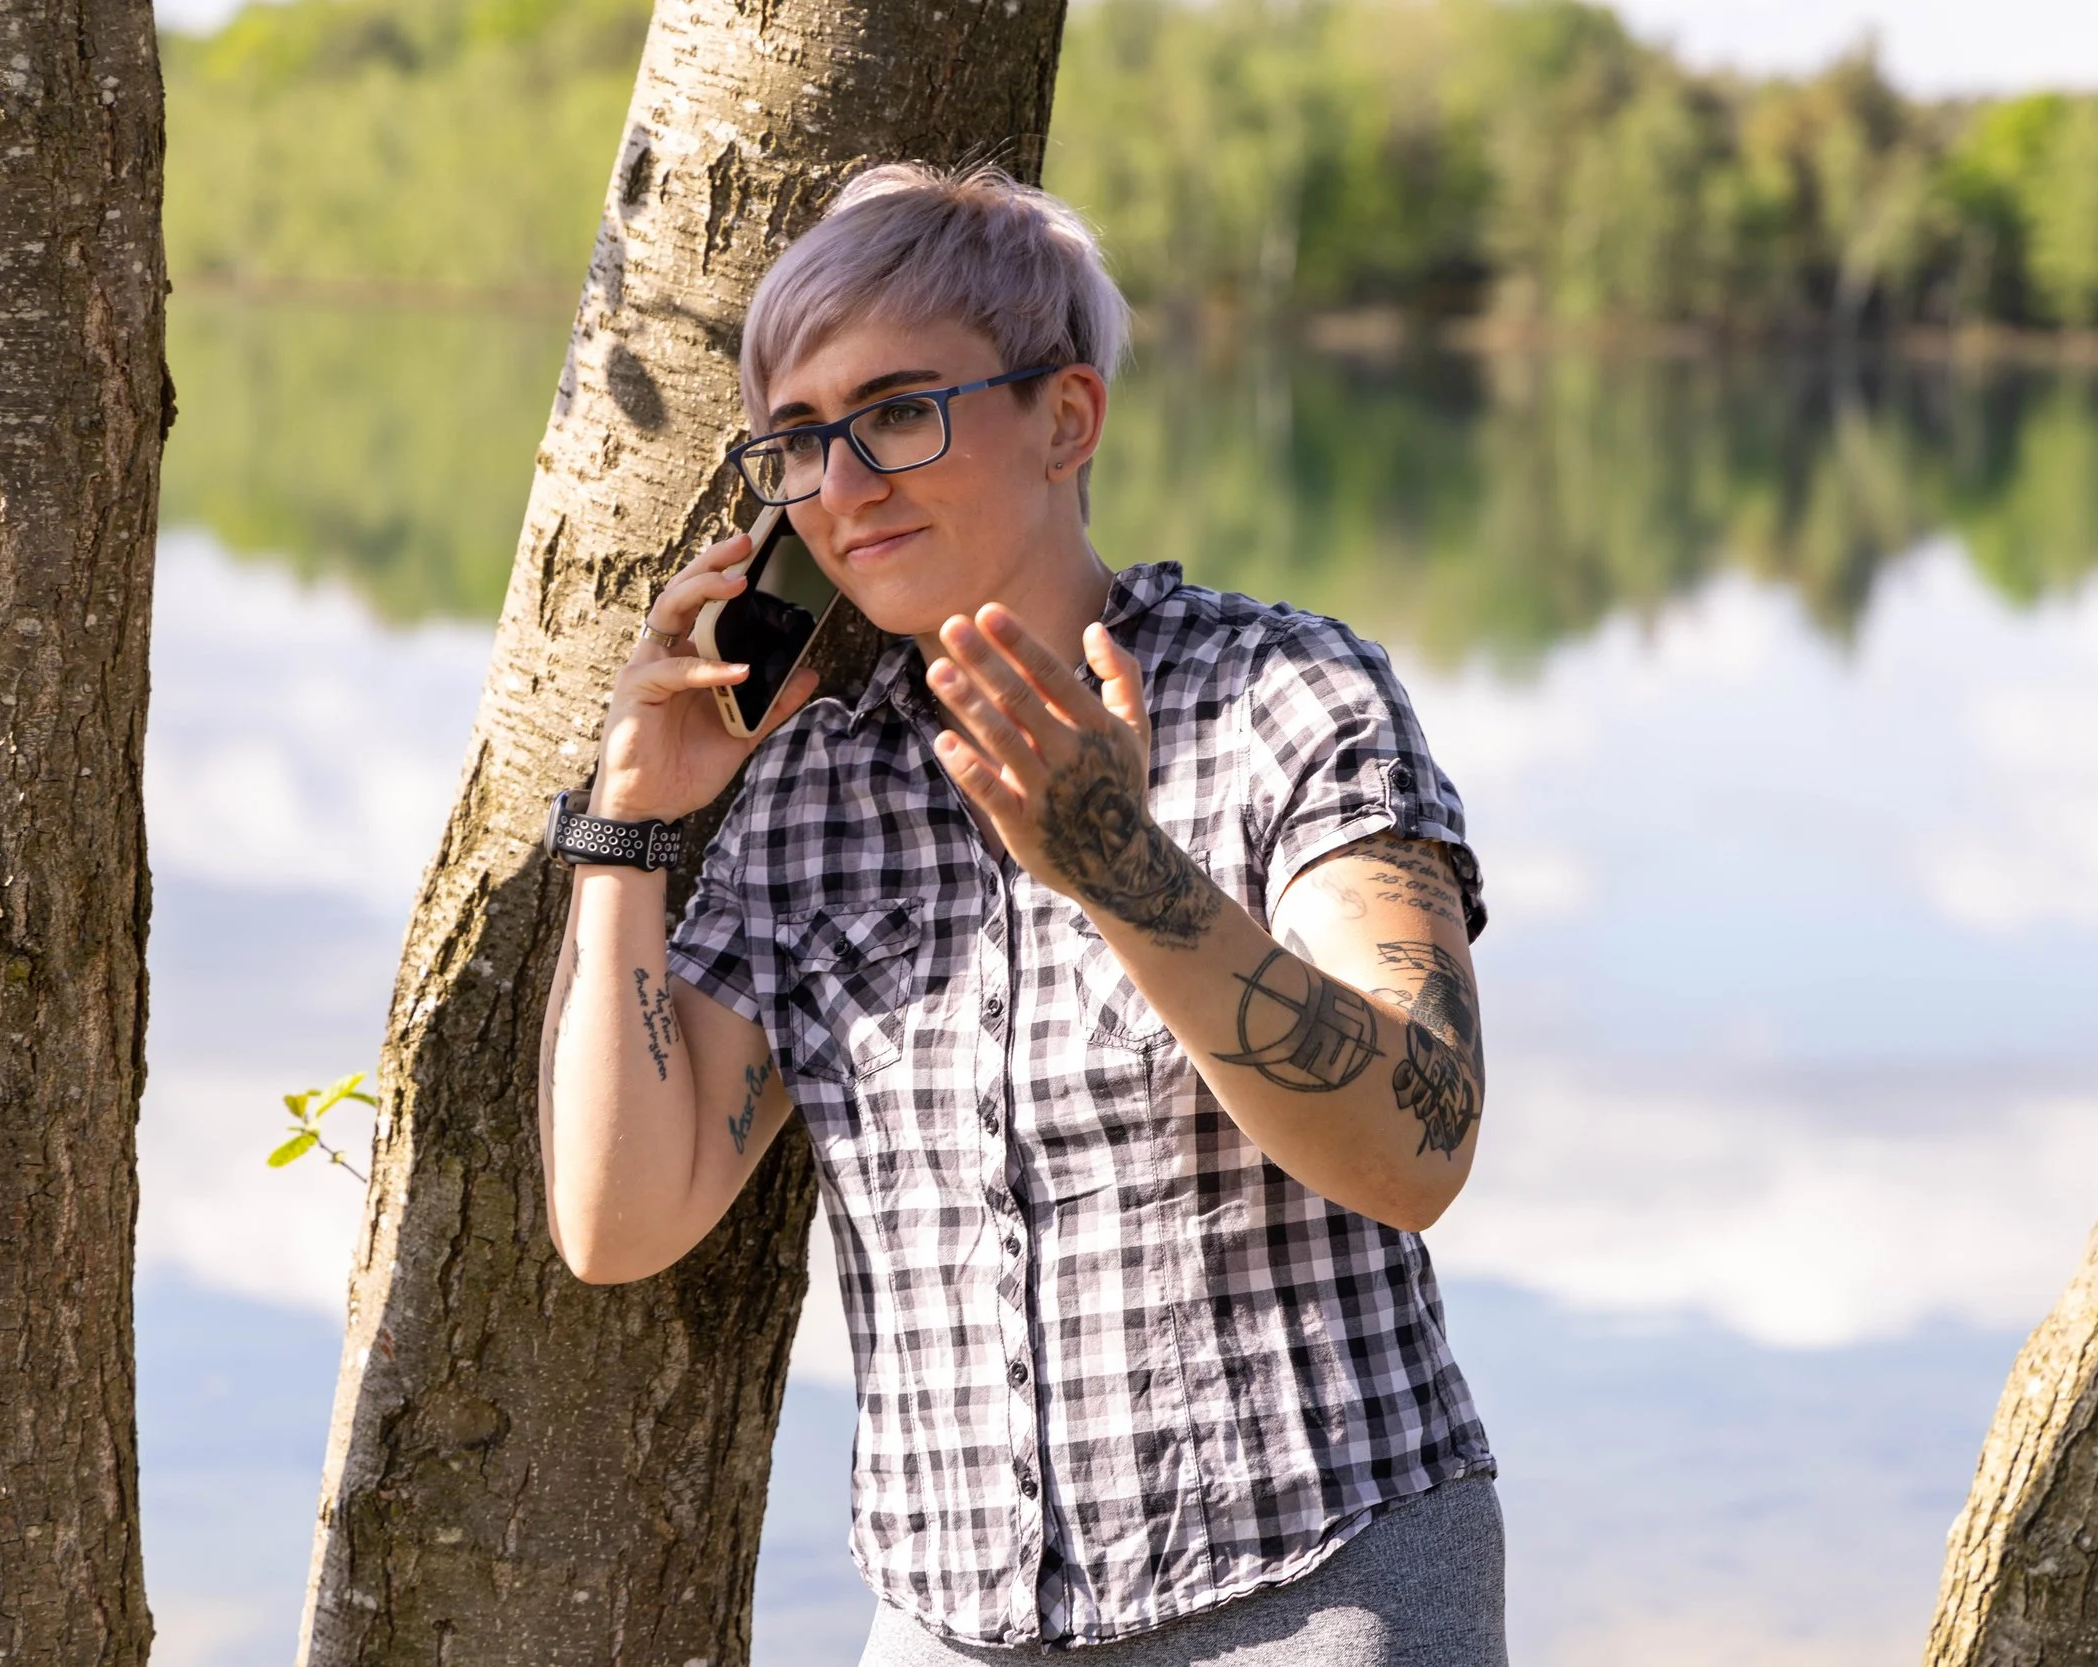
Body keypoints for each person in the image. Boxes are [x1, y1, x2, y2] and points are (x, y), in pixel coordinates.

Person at [537, 162, 1504, 1666]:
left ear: (1067, 419)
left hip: (1311, 1588)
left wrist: (1121, 868)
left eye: (900, 411)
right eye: (798, 441)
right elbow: (616, 1217)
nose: (844, 486)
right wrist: (631, 833)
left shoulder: (1285, 700)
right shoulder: (812, 791)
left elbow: (1422, 1143)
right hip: (949, 1623)